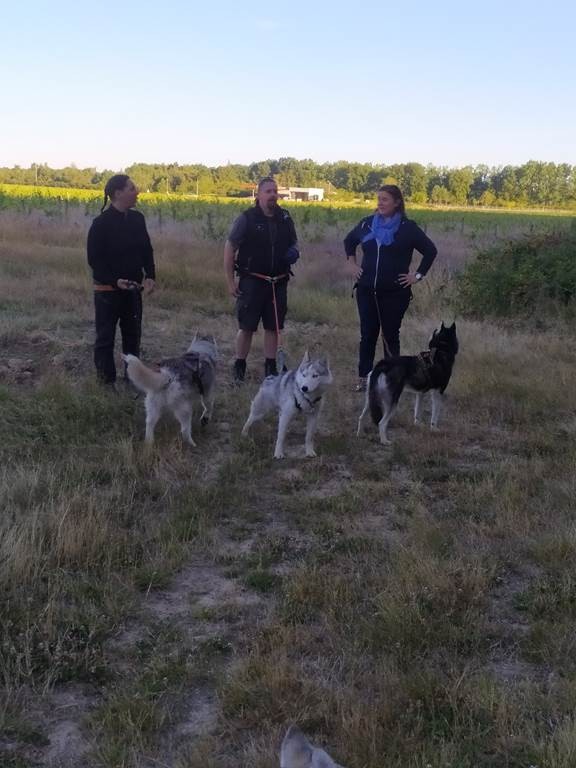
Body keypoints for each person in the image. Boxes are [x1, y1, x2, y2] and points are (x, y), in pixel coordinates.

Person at [343, 184, 437, 391]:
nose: (380, 203)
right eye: (379, 199)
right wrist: (351, 263)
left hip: (395, 294)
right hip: (366, 291)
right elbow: (349, 241)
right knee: (367, 335)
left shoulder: (407, 228)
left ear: (397, 202)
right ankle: (363, 379)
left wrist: (417, 275)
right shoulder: (367, 225)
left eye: (385, 199)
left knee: (390, 335)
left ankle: (391, 379)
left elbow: (430, 251)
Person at [224, 177, 299, 383]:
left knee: (273, 327)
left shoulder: (285, 218)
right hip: (252, 281)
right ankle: (239, 366)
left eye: (275, 191)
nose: (272, 195)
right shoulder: (247, 218)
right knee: (247, 327)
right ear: (259, 195)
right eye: (268, 191)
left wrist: (294, 251)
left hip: (278, 282)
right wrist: (231, 281)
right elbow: (230, 247)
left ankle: (270, 368)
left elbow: (294, 242)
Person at [87, 174, 156, 386]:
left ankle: (133, 382)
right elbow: (94, 261)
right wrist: (114, 281)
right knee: (105, 340)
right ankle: (106, 384)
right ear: (118, 194)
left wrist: (151, 275)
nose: (137, 192)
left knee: (132, 337)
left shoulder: (138, 219)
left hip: (133, 290)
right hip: (107, 291)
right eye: (132, 188)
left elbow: (146, 249)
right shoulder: (101, 224)